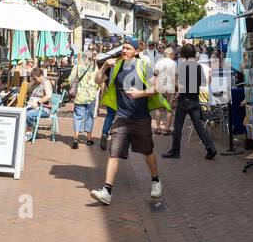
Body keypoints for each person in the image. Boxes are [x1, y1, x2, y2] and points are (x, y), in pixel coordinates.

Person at [90, 38, 169, 205]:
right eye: (123, 48)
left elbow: (157, 87)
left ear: (136, 51)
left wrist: (140, 94)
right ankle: (107, 191)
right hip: (122, 117)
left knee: (147, 151)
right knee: (114, 153)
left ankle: (155, 180)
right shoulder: (116, 65)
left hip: (140, 117)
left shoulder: (143, 66)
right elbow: (97, 80)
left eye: (127, 48)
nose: (124, 51)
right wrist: (104, 66)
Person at [164, 43, 218, 160]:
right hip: (195, 100)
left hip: (184, 100)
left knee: (178, 126)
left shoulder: (183, 66)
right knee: (199, 126)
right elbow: (204, 82)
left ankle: (175, 151)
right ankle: (211, 148)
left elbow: (180, 85)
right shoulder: (198, 66)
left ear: (184, 54)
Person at [66, 49, 100, 149]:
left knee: (78, 117)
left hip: (79, 96)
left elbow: (70, 80)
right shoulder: (94, 67)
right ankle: (89, 139)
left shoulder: (77, 67)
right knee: (89, 117)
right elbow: (98, 80)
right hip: (91, 96)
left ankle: (76, 138)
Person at [24, 67, 54, 140]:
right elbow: (27, 89)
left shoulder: (46, 82)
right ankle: (29, 130)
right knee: (22, 112)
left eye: (35, 78)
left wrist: (38, 102)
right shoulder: (37, 82)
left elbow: (49, 96)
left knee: (28, 114)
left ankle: (30, 130)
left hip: (44, 108)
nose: (34, 80)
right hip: (35, 107)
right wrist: (34, 81)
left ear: (40, 75)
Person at [152, 46, 177, 135]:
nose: (174, 55)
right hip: (170, 87)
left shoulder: (159, 62)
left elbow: (155, 75)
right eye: (173, 54)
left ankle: (158, 128)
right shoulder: (173, 63)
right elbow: (175, 77)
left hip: (159, 87)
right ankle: (167, 129)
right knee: (169, 109)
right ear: (170, 54)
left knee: (159, 109)